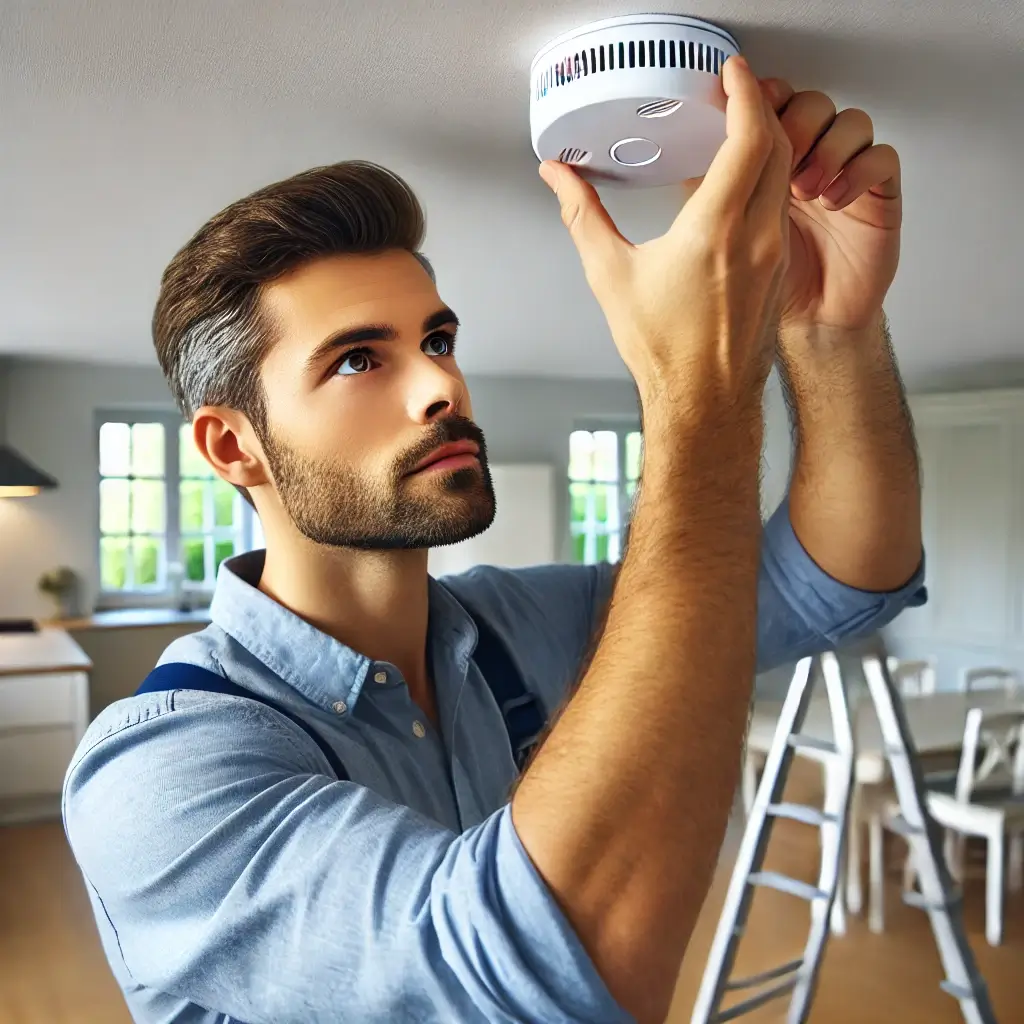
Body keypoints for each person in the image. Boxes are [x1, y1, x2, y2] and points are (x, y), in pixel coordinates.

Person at [63, 56, 924, 1024]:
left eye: (435, 340)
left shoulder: (528, 623)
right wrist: (697, 388)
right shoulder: (161, 771)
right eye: (357, 359)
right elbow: (525, 976)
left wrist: (826, 329)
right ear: (234, 446)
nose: (441, 387)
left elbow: (838, 576)